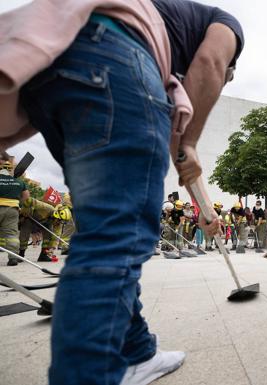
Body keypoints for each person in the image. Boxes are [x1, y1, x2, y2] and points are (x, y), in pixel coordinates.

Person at [0, 1, 243, 383]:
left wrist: (200, 199)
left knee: (106, 228)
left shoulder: (167, 26)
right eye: (231, 78)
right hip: (114, 58)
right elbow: (212, 63)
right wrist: (188, 141)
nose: (223, 83)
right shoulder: (224, 23)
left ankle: (136, 351)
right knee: (116, 238)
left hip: (52, 76)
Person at [0, 159, 29, 266]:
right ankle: (13, 258)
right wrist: (18, 204)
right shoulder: (19, 181)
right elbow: (26, 196)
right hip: (12, 210)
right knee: (11, 235)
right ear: (11, 170)